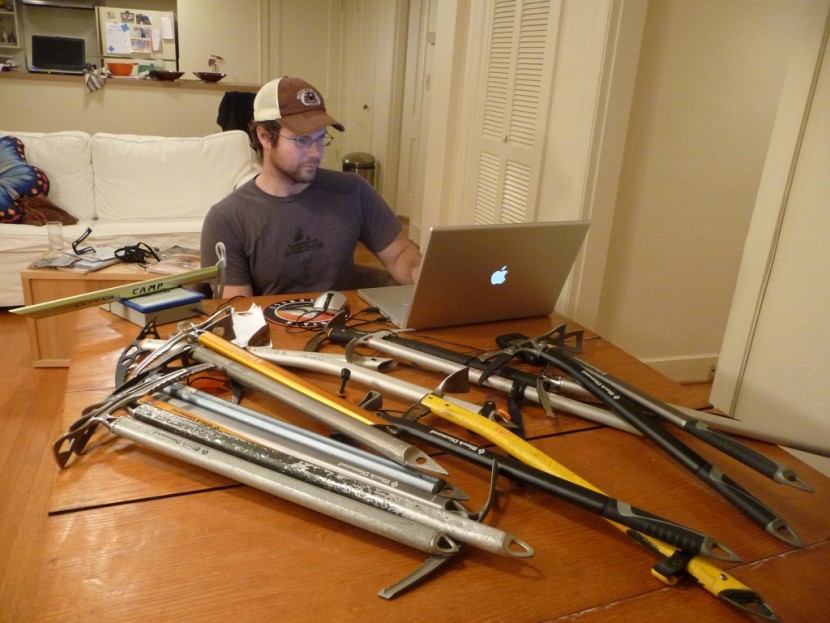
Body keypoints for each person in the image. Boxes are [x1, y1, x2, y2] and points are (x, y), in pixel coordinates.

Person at [200, 75, 421, 298]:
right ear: (265, 136)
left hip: (350, 326)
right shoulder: (227, 219)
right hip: (274, 329)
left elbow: (399, 254)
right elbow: (239, 312)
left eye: (320, 137)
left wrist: (422, 277)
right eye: (302, 140)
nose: (317, 152)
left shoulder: (353, 190)